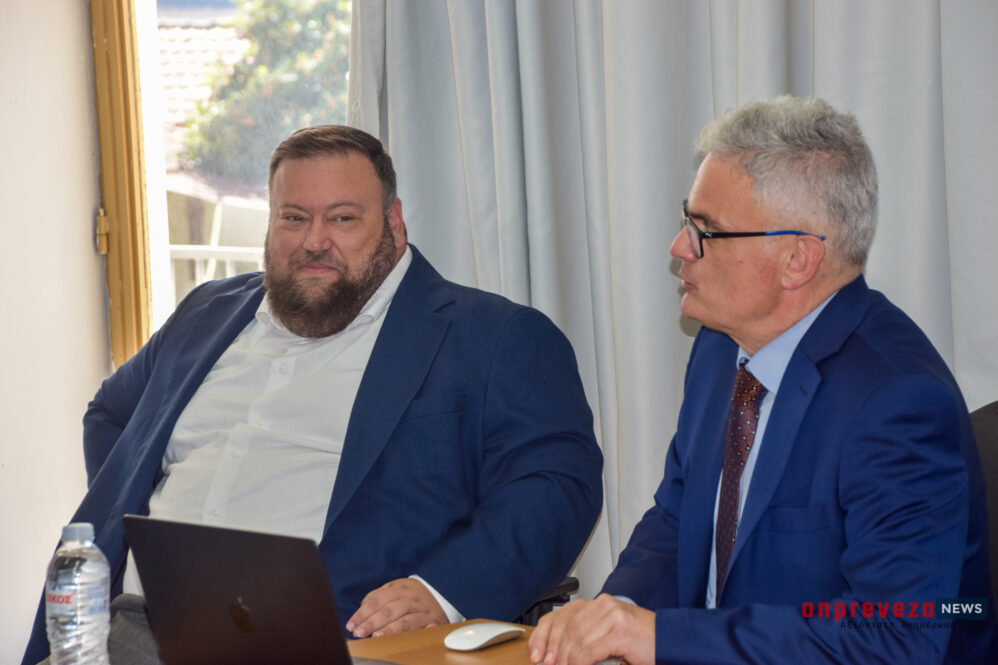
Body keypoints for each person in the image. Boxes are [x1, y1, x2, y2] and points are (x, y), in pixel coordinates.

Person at [23, 125, 603, 664]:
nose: (314, 241)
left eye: (343, 218)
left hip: (325, 640)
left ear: (394, 222)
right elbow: (111, 415)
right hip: (131, 629)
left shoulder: (492, 337)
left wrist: (441, 591)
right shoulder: (206, 312)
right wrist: (145, 523)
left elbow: (556, 486)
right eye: (293, 218)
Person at [529, 96, 995, 665]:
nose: (679, 248)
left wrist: (661, 638)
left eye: (706, 230)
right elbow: (679, 517)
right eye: (687, 219)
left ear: (797, 260)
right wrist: (614, 613)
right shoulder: (720, 346)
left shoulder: (898, 403)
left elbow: (896, 637)